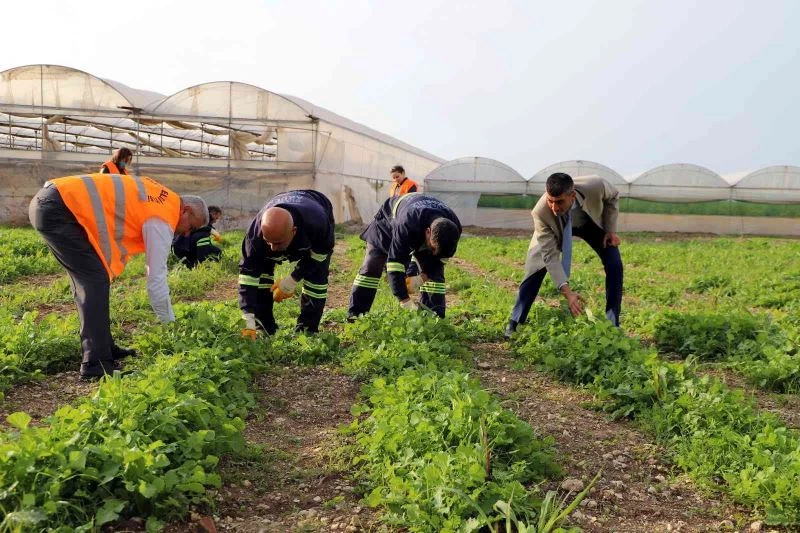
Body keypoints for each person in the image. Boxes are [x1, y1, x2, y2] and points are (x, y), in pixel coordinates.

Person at [28, 173, 209, 379]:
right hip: (60, 208)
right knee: (94, 281)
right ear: (186, 210)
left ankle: (104, 347)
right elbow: (156, 278)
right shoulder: (162, 215)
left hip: (54, 202)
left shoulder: (162, 199)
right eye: (191, 227)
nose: (186, 234)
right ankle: (95, 364)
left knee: (94, 280)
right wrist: (170, 325)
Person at [505, 172, 623, 338]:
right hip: (555, 228)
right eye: (550, 201)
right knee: (536, 267)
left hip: (589, 223)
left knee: (614, 264)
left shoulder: (595, 185)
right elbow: (550, 257)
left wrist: (610, 230)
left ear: (572, 195)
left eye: (559, 201)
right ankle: (515, 322)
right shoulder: (541, 212)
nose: (554, 207)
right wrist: (568, 293)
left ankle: (612, 322)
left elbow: (614, 196)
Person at [348, 193, 461, 319]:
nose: (434, 253)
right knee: (372, 265)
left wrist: (423, 277)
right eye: (433, 248)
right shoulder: (408, 222)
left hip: (421, 223)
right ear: (428, 232)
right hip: (387, 224)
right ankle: (356, 317)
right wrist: (404, 300)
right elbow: (395, 263)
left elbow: (439, 259)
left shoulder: (453, 226)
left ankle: (434, 318)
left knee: (436, 275)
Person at [239, 190, 335, 337]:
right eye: (268, 241)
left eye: (277, 243)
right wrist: (248, 317)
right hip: (283, 207)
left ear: (294, 231)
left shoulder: (317, 223)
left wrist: (293, 279)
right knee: (261, 278)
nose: (272, 248)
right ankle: (263, 327)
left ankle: (307, 331)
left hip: (317, 204)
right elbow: (248, 277)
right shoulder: (255, 237)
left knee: (316, 280)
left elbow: (319, 255)